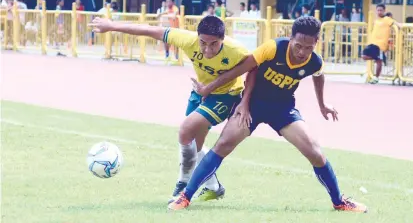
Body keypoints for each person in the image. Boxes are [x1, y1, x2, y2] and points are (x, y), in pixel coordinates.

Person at [168, 16, 368, 213]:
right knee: (223, 144)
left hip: (282, 109)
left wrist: (322, 104)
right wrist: (243, 104)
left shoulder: (314, 61)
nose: (302, 52)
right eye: (298, 45)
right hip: (253, 105)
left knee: (315, 152)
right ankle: (185, 197)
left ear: (316, 42)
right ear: (291, 38)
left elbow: (318, 74)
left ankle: (339, 202)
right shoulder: (273, 48)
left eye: (309, 47)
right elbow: (248, 69)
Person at [89, 15, 249, 203]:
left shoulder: (237, 51)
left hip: (226, 96)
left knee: (185, 130)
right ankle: (214, 187)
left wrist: (245, 102)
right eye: (203, 43)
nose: (207, 49)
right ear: (197, 38)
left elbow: (254, 67)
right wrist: (111, 26)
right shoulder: (187, 40)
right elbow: (150, 30)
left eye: (214, 44)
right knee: (194, 145)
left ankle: (183, 183)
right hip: (200, 91)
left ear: (222, 40)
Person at [362, 4, 400, 84]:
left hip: (380, 44)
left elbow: (396, 24)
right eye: (378, 10)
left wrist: (400, 26)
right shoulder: (376, 20)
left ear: (384, 10)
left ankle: (376, 77)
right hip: (372, 42)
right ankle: (378, 58)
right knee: (364, 56)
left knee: (378, 61)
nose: (379, 12)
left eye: (381, 10)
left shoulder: (387, 19)